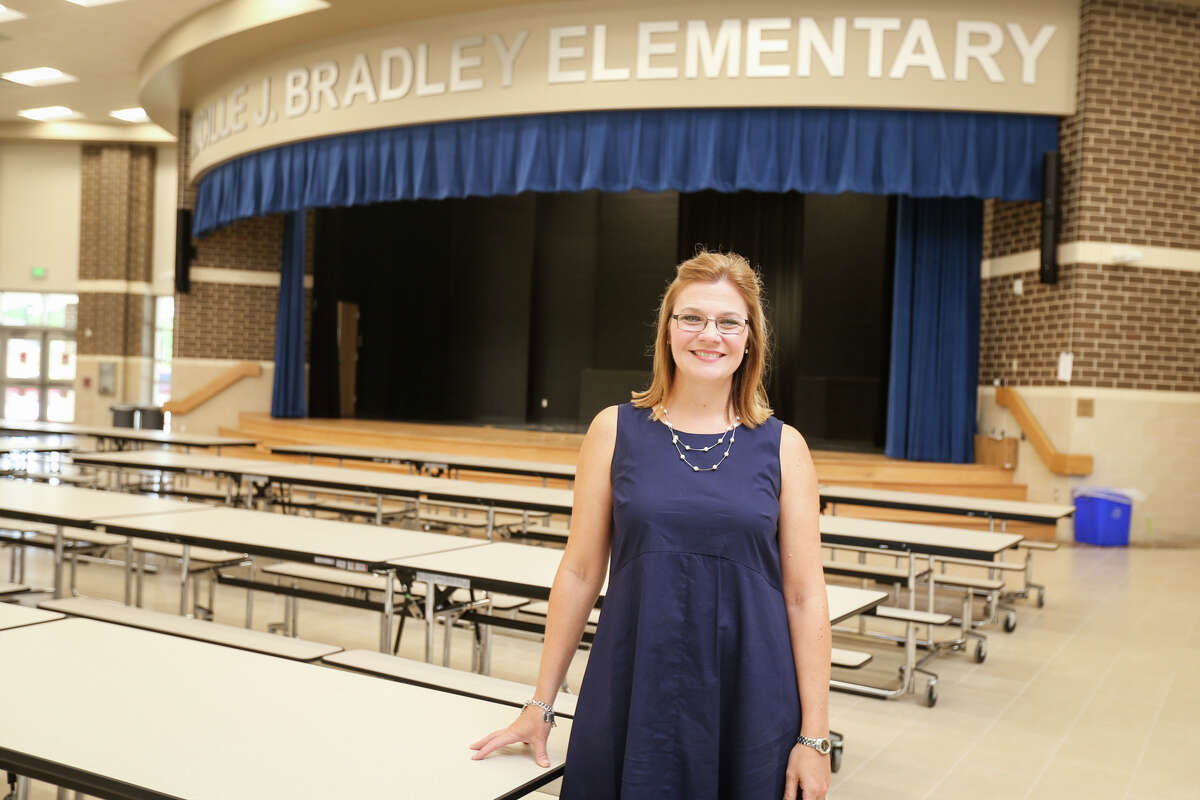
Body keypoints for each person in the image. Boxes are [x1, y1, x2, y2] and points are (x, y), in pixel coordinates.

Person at [470, 251, 831, 800]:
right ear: (668, 330)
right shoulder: (614, 430)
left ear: (750, 339)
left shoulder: (785, 447)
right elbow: (580, 572)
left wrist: (815, 736)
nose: (709, 334)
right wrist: (540, 705)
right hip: (635, 683)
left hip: (750, 696)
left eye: (729, 321)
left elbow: (805, 596)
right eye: (692, 318)